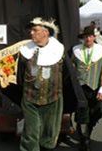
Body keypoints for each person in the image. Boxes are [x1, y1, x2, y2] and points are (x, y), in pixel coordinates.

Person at [17, 18, 85, 151]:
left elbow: (68, 76)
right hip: (30, 100)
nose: (31, 33)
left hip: (53, 100)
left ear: (46, 32)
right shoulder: (25, 51)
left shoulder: (59, 51)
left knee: (49, 136)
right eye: (31, 30)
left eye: (35, 30)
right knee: (31, 135)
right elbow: (20, 76)